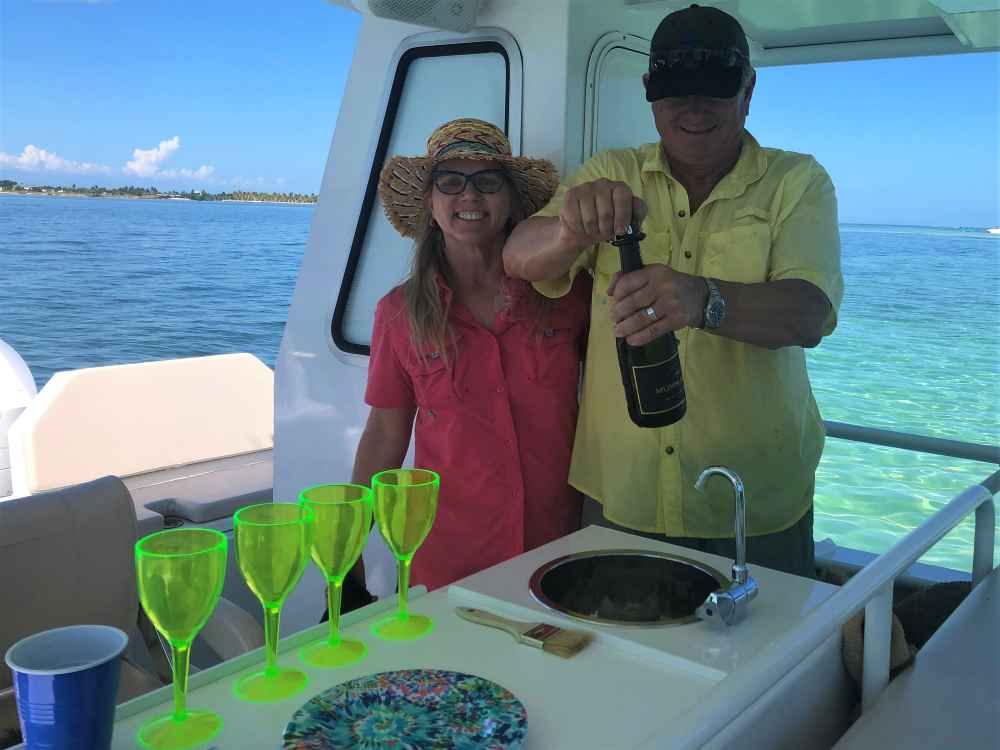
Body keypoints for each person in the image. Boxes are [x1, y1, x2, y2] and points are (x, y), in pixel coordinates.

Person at [502, 5, 844, 578]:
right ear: (649, 92)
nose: (693, 109)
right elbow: (517, 256)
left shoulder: (798, 182)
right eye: (675, 92)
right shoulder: (609, 171)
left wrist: (704, 298)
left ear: (748, 89)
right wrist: (569, 229)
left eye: (713, 90)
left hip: (755, 503)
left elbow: (809, 314)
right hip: (623, 493)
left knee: (762, 664)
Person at [349, 118, 590, 593]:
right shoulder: (398, 313)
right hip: (446, 566)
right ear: (430, 203)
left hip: (559, 554)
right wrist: (351, 548)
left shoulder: (569, 293)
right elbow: (384, 434)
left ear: (511, 200)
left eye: (488, 182)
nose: (469, 196)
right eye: (451, 182)